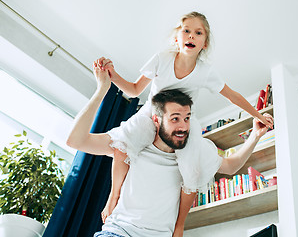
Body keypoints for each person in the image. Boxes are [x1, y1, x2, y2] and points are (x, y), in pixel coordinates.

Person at [95, 11, 274, 222]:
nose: (191, 36)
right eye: (186, 31)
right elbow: (134, 90)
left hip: (181, 122)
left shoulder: (205, 72)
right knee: (121, 146)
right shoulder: (162, 59)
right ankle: (113, 196)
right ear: (176, 38)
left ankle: (179, 224)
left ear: (204, 43)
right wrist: (112, 75)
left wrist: (258, 115)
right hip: (151, 113)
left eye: (198, 33)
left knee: (192, 172)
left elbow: (232, 96)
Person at [66, 64, 273, 237]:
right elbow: (75, 140)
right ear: (156, 120)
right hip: (120, 232)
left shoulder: (193, 152)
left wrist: (255, 136)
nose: (183, 126)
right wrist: (103, 89)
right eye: (175, 118)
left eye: (187, 118)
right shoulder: (136, 142)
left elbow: (231, 166)